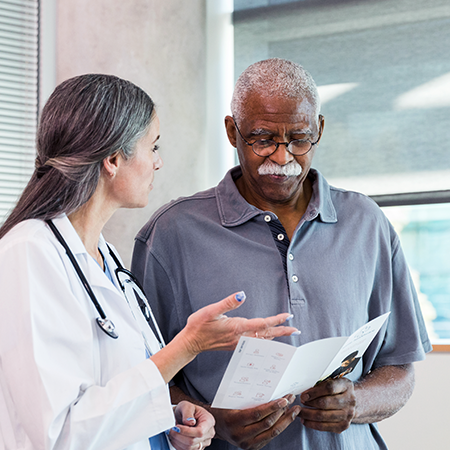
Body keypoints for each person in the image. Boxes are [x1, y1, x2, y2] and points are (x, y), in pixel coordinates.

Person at [131, 58, 432, 450]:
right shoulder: (171, 233)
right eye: (261, 139)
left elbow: (401, 370)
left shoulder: (367, 224)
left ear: (319, 129)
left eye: (300, 139)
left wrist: (356, 402)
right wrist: (216, 422)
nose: (282, 157)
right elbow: (139, 381)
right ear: (231, 131)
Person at [0, 74, 300, 450]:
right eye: (152, 147)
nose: (158, 163)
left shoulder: (102, 256)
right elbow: (58, 434)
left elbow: (113, 398)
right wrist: (188, 346)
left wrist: (172, 419)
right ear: (112, 159)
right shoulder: (29, 252)